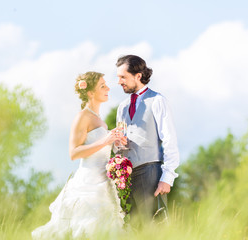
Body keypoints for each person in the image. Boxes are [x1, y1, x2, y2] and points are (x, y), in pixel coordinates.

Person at [31, 72, 126, 239]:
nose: (108, 88)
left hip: (105, 184)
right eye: (102, 86)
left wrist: (115, 143)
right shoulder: (82, 117)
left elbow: (100, 147)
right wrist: (105, 141)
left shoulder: (99, 119)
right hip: (88, 184)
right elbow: (74, 153)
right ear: (90, 93)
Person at [115, 55, 180, 227]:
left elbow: (170, 139)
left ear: (138, 75)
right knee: (133, 227)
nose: (119, 82)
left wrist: (168, 177)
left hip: (150, 171)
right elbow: (120, 141)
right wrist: (118, 145)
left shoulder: (158, 101)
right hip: (127, 177)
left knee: (153, 227)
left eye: (123, 77)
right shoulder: (122, 107)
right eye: (118, 77)